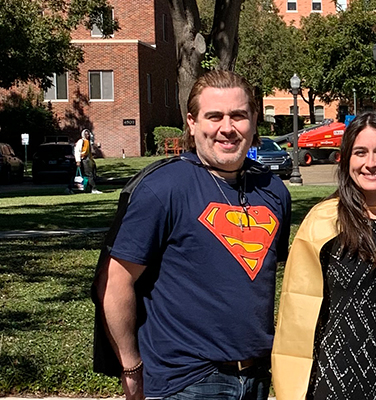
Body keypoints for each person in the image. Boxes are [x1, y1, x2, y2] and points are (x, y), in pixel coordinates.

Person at [94, 70, 291, 400]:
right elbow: (114, 282)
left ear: (254, 121)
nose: (227, 128)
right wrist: (130, 367)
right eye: (214, 116)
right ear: (192, 122)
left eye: (239, 116)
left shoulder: (273, 190)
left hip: (257, 377)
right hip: (187, 381)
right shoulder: (164, 187)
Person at [272, 111, 376, 400]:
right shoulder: (322, 225)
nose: (371, 163)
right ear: (346, 159)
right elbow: (298, 319)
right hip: (337, 386)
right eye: (360, 152)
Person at [74, 128, 100, 193]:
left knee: (89, 174)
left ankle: (87, 188)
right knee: (89, 175)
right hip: (83, 160)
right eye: (86, 134)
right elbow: (77, 151)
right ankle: (93, 189)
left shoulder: (88, 142)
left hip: (88, 159)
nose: (87, 135)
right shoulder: (81, 141)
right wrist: (78, 160)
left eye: (88, 134)